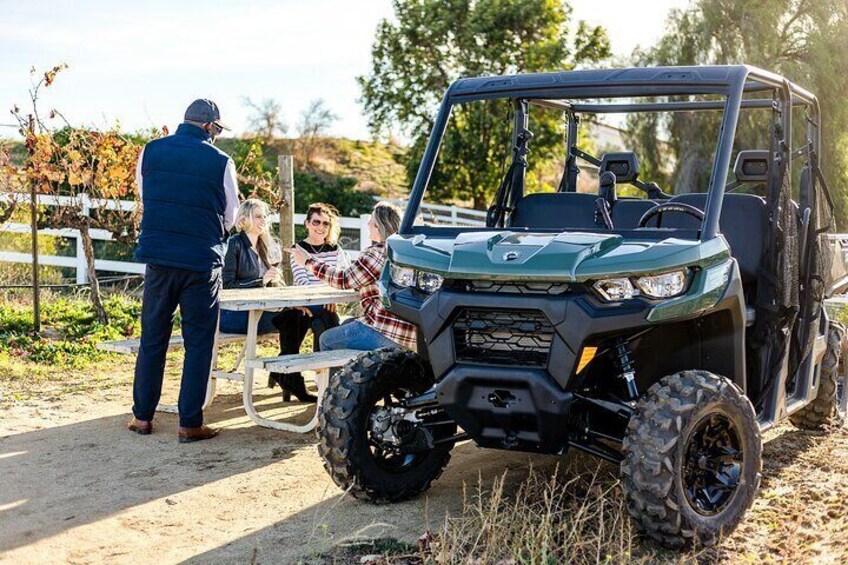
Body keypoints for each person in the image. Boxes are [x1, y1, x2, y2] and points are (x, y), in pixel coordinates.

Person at [130, 99, 238, 444]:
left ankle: (142, 417)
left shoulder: (151, 151)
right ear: (209, 127)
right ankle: (189, 423)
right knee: (198, 343)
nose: (218, 136)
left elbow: (146, 197)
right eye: (218, 129)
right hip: (200, 262)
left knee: (153, 338)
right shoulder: (221, 161)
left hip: (159, 259)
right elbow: (232, 214)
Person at [290, 201, 416, 352]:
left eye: (372, 221)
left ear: (379, 226)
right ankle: (356, 373)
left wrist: (308, 262)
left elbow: (344, 279)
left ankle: (334, 377)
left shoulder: (377, 252)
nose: (368, 223)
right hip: (409, 333)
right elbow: (358, 279)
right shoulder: (406, 252)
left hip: (385, 330)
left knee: (327, 339)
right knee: (346, 324)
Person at [272, 203, 346, 401]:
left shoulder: (335, 250)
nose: (320, 227)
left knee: (326, 318)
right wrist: (325, 294)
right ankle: (312, 375)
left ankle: (315, 374)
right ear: (307, 223)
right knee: (304, 317)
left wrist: (332, 296)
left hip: (326, 302)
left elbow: (341, 275)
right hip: (306, 300)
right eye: (316, 222)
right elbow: (302, 280)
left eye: (325, 223)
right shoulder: (299, 249)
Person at [220, 199, 282, 335]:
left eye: (265, 216)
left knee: (300, 315)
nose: (264, 220)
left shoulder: (265, 246)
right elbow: (227, 285)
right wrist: (261, 281)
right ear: (244, 219)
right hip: (234, 314)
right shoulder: (233, 244)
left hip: (259, 309)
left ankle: (288, 356)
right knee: (290, 319)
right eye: (258, 216)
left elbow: (272, 288)